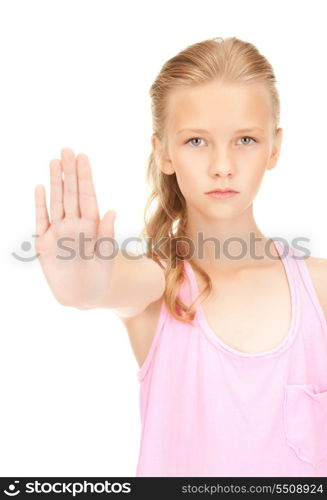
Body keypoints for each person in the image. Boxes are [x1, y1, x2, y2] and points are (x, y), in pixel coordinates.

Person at [34, 36, 327, 477]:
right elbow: (103, 284)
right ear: (163, 152)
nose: (222, 165)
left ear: (275, 147)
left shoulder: (317, 287)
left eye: (245, 139)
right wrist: (80, 279)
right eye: (196, 142)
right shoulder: (159, 283)